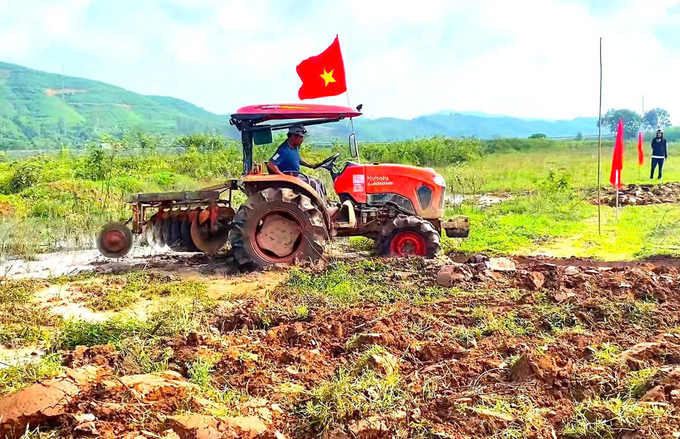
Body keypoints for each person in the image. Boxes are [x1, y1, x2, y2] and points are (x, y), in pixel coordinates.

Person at [267, 125, 327, 197]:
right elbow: (270, 164)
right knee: (313, 183)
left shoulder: (296, 147)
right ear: (294, 136)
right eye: (301, 137)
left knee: (319, 182)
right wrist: (282, 176)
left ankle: (326, 202)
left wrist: (310, 165)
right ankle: (320, 205)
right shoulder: (282, 150)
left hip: (296, 175)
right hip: (290, 177)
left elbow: (297, 159)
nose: (302, 139)